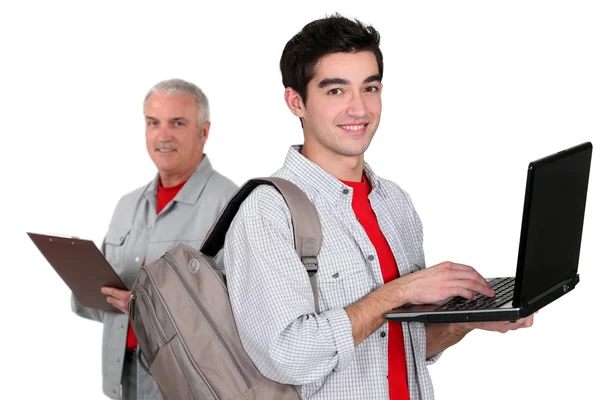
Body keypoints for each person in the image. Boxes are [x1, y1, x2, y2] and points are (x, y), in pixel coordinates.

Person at [222, 14, 534, 400]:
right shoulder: (267, 213)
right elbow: (287, 356)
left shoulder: (394, 203)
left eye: (369, 88)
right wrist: (399, 291)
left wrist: (467, 321)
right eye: (336, 91)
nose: (359, 109)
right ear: (296, 101)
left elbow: (400, 347)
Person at [72, 78, 238, 400]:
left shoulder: (229, 204)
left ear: (204, 131)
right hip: (123, 381)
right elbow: (99, 306)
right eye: (153, 123)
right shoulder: (127, 205)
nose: (163, 136)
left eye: (177, 123)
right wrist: (83, 279)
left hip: (188, 386)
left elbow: (242, 313)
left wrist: (148, 305)